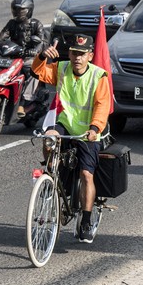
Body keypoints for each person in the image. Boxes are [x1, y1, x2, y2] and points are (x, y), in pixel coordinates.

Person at [32, 35, 111, 244]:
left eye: (82, 54)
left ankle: (85, 220)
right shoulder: (62, 68)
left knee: (86, 174)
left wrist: (94, 129)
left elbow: (102, 107)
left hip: (88, 131)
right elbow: (38, 72)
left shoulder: (98, 76)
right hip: (65, 124)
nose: (77, 58)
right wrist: (41, 56)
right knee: (48, 138)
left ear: (90, 56)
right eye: (74, 53)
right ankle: (51, 177)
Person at [0, 0, 46, 117]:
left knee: (33, 72)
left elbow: (42, 43)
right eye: (16, 10)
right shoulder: (11, 23)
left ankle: (25, 101)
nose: (18, 13)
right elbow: (1, 38)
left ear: (29, 10)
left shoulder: (36, 24)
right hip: (13, 57)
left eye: (21, 10)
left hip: (30, 58)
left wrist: (34, 51)